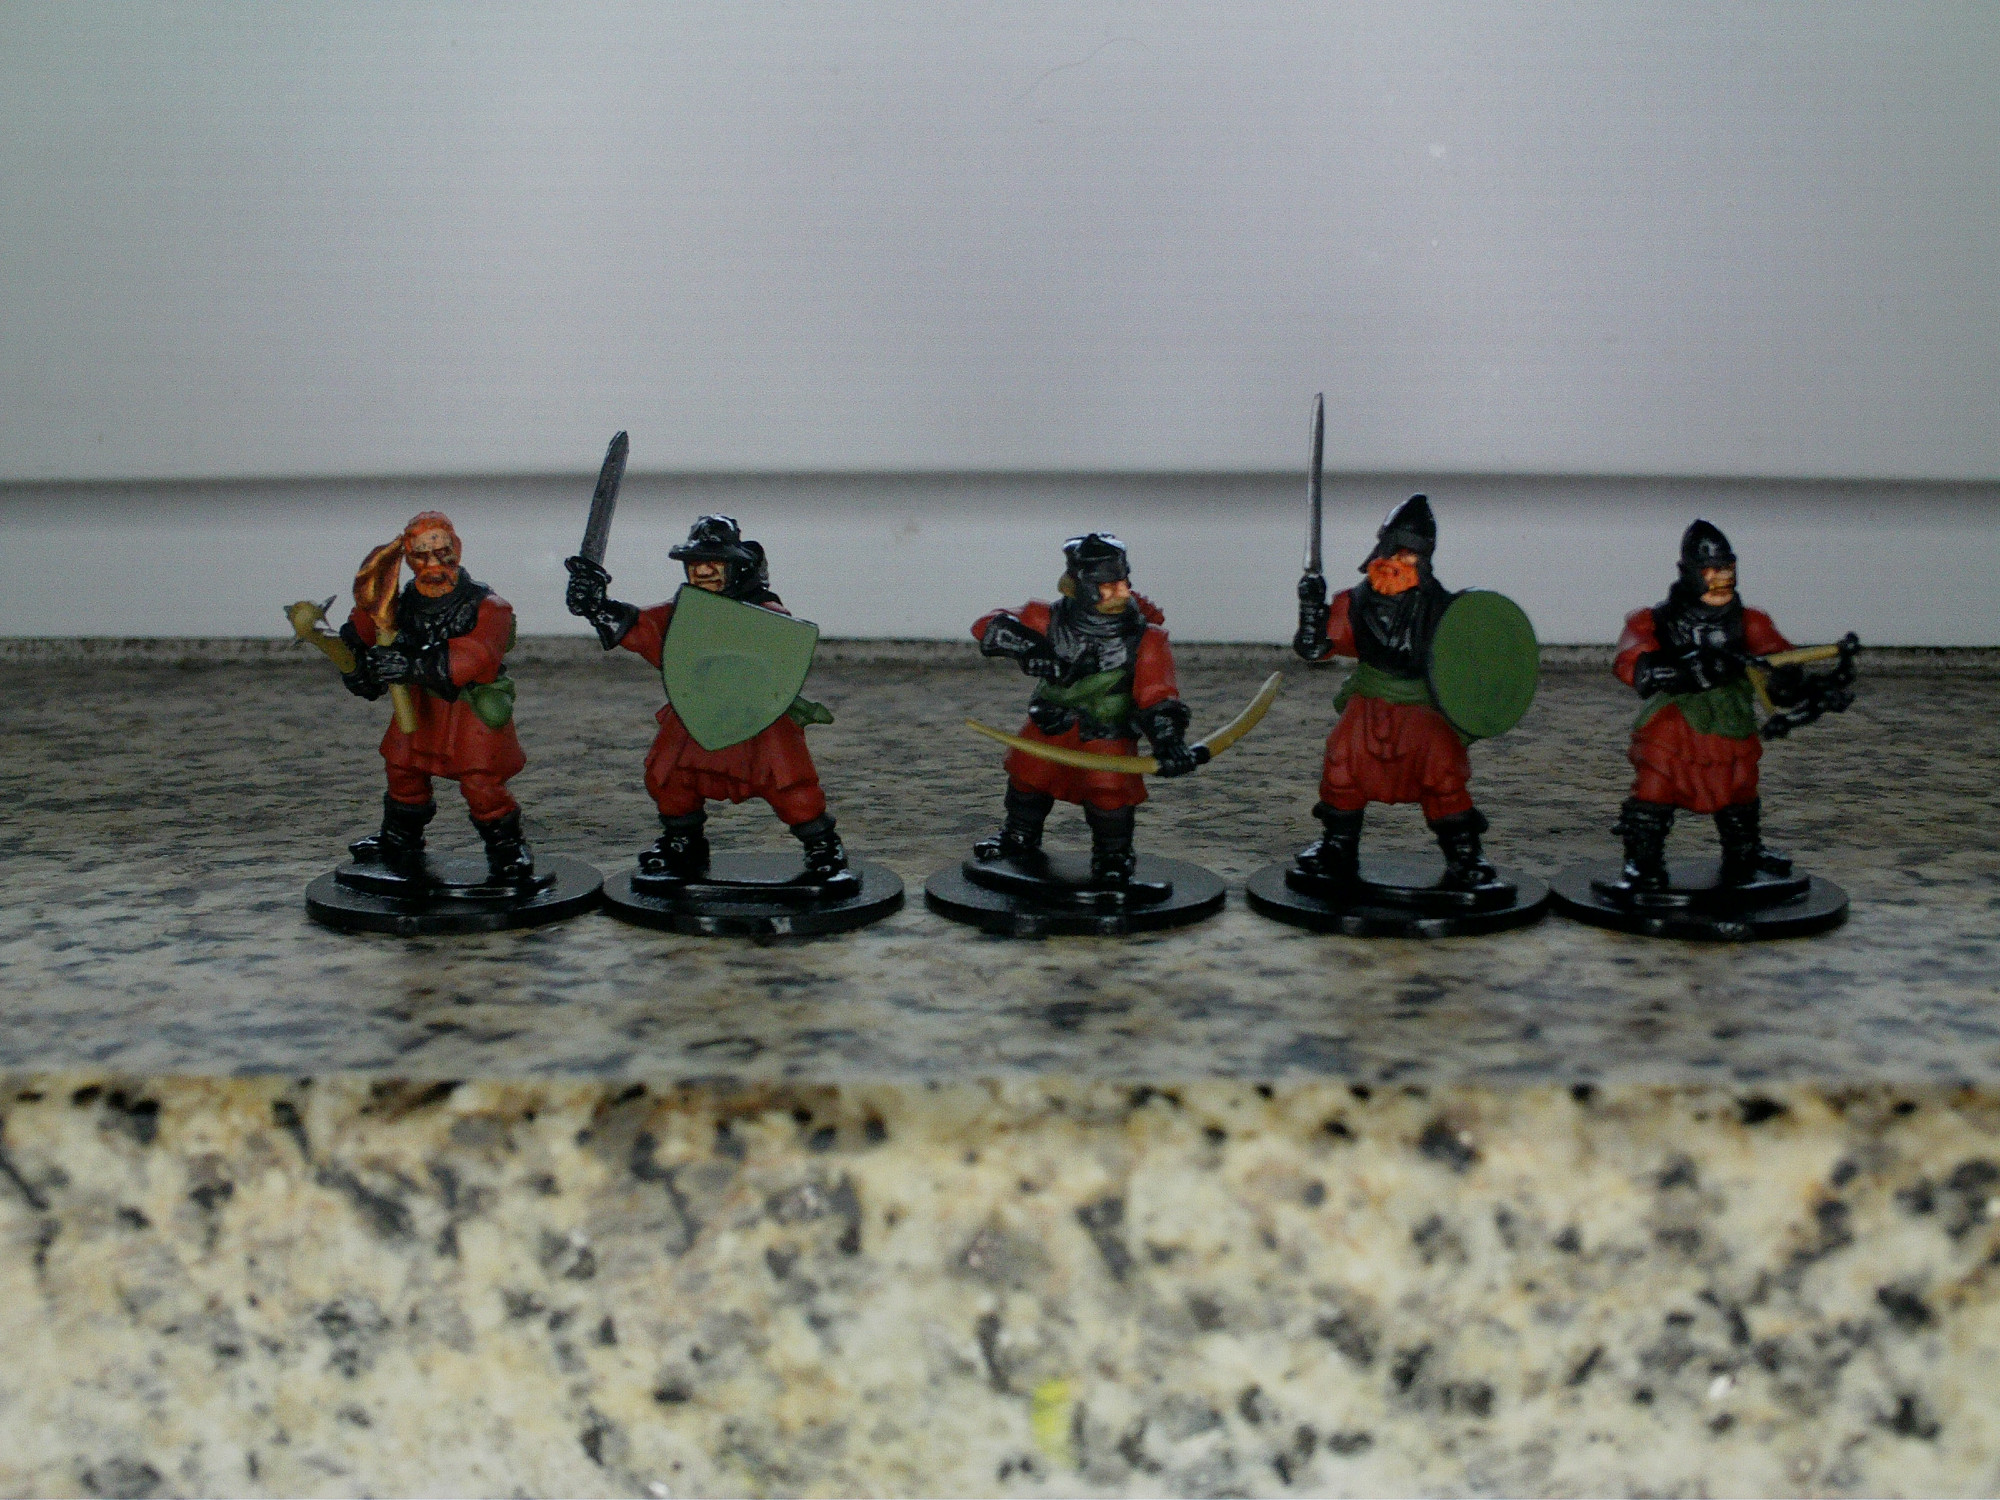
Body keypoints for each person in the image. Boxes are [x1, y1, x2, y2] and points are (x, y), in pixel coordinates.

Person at [564, 514, 845, 878]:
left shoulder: (766, 616)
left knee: (789, 786)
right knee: (670, 779)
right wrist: (598, 606)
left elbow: (774, 656)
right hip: (697, 715)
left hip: (756, 721)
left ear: (737, 568)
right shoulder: (683, 612)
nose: (703, 571)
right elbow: (642, 627)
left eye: (715, 562)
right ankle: (683, 844)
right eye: (695, 563)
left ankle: (823, 847)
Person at [971, 533, 1199, 884]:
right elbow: (986, 624)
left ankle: (1113, 856)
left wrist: (1169, 742)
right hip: (1049, 726)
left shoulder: (1146, 638)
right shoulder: (1048, 618)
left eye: (1122, 583)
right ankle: (1019, 836)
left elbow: (1158, 696)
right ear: (1077, 585)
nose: (1120, 593)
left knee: (1109, 796)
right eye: (1106, 586)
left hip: (1106, 735)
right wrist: (1029, 647)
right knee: (1026, 781)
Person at [1292, 495, 1495, 888]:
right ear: (1380, 551)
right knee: (1342, 764)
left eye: (1411, 555)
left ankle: (1465, 855)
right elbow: (1316, 649)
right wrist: (1311, 612)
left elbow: (1470, 662)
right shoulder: (1352, 603)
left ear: (1425, 559)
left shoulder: (1447, 611)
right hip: (1369, 707)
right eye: (1394, 551)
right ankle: (1337, 848)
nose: (1399, 562)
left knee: (1443, 776)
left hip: (1422, 709)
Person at [339, 510, 534, 885]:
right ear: (409, 559)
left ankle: (507, 849)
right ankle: (399, 842)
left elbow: (478, 655)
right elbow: (368, 628)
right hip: (419, 706)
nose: (433, 565)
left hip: (467, 708)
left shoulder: (489, 607)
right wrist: (358, 657)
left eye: (442, 553)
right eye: (421, 556)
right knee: (403, 771)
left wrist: (409, 664)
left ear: (456, 549)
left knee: (481, 783)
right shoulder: (400, 604)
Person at [1608, 519, 1797, 892]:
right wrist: (1686, 669)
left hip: (1730, 718)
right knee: (1656, 785)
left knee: (1739, 785)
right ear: (1689, 571)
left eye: (1727, 569)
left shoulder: (1750, 621)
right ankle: (1643, 861)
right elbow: (1631, 664)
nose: (1721, 579)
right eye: (1711, 571)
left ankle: (1744, 854)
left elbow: (1777, 662)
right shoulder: (1655, 620)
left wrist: (1785, 680)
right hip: (1675, 720)